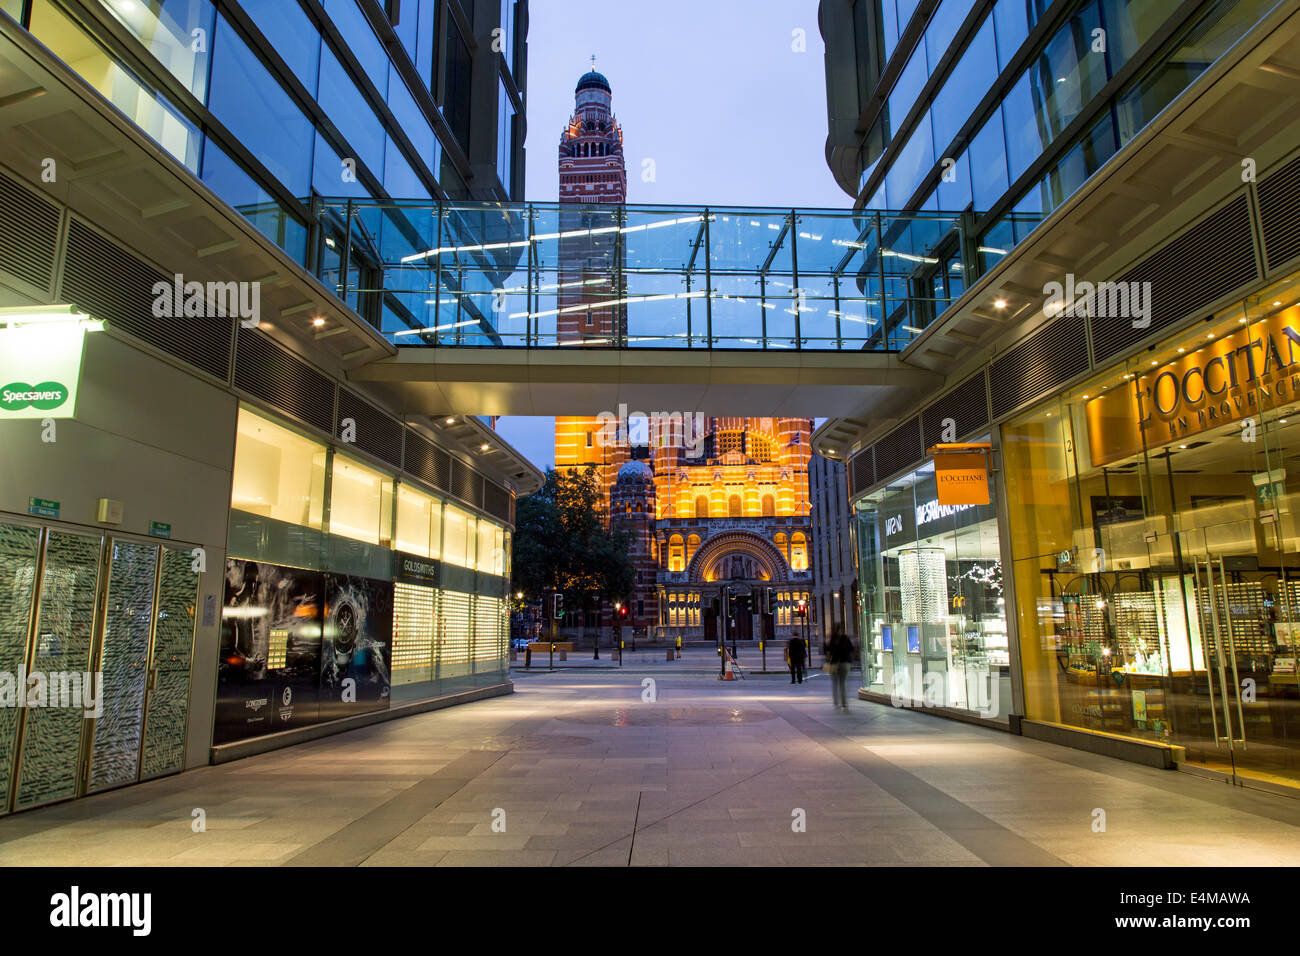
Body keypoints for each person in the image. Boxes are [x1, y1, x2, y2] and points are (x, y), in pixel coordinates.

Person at [824, 629, 853, 709]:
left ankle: (836, 702)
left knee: (835, 683)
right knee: (843, 683)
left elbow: (826, 650)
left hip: (834, 663)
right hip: (845, 663)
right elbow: (851, 649)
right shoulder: (846, 639)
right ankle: (844, 703)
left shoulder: (832, 640)